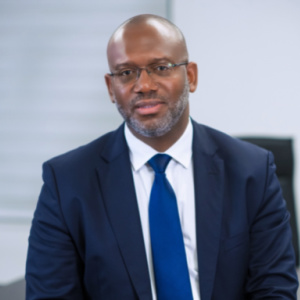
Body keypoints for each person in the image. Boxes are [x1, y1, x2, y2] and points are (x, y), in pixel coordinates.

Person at [25, 14, 298, 299]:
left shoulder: (252, 171)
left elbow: (274, 289)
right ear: (110, 88)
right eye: (126, 73)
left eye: (160, 67)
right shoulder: (67, 182)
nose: (144, 85)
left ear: (190, 76)